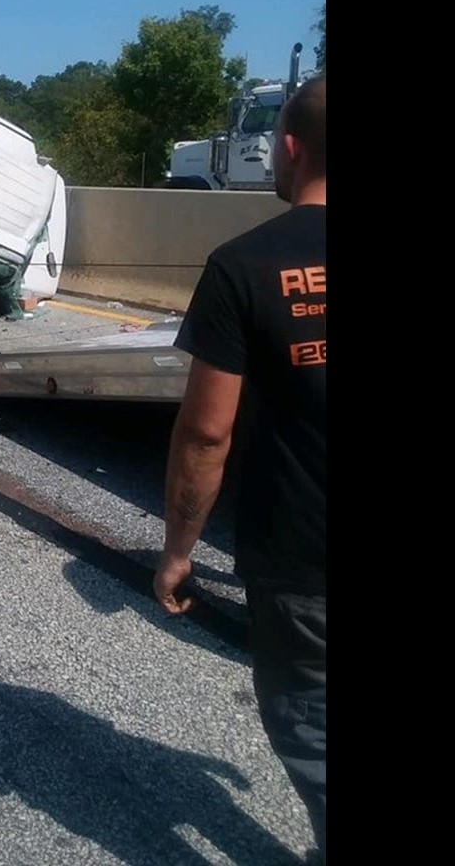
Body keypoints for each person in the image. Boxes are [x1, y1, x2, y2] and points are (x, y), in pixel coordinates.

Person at [153, 73, 325, 861]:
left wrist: (180, 552)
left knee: (314, 735)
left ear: (288, 148)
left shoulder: (243, 265)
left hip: (302, 569)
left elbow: (206, 437)